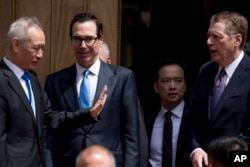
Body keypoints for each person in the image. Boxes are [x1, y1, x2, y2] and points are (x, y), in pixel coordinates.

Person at [0, 16, 107, 167]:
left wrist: (89, 114)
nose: (40, 55)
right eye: (36, 48)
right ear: (16, 44)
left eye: (42, 48)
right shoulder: (2, 81)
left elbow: (51, 118)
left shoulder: (32, 80)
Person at [44, 12, 140, 167]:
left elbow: (131, 134)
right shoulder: (55, 82)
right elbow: (49, 134)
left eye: (88, 39)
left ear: (100, 40)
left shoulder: (122, 78)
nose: (83, 45)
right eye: (77, 39)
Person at [183, 11, 250, 167]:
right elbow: (191, 119)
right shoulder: (205, 71)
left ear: (237, 40)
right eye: (208, 36)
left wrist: (228, 160)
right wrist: (196, 149)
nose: (208, 42)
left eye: (216, 37)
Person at [145, 58, 191, 167]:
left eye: (178, 81)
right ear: (156, 87)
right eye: (166, 81)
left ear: (185, 86)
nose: (172, 87)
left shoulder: (195, 118)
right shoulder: (146, 121)